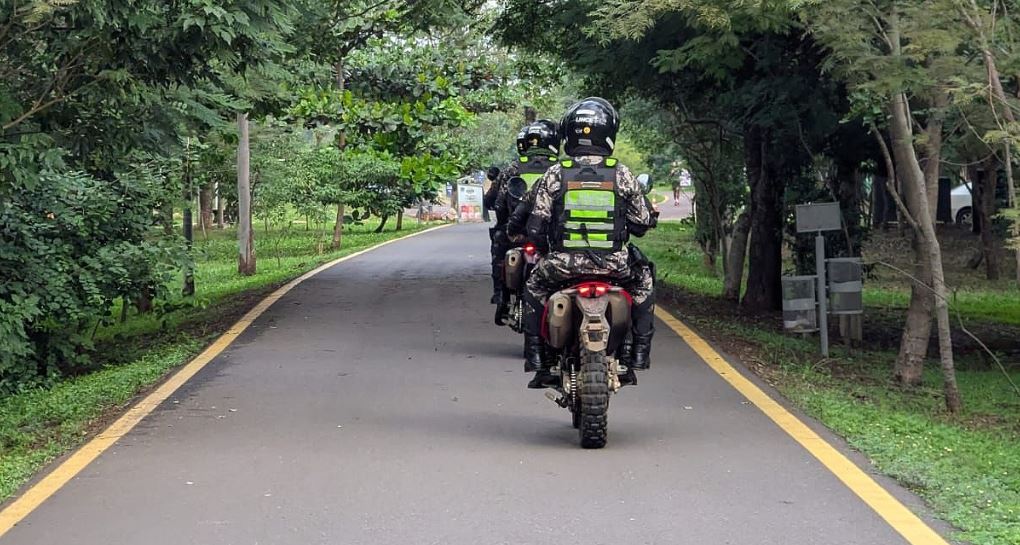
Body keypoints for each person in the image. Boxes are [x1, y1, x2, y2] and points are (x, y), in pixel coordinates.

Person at [520, 98, 658, 388]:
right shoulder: (621, 173)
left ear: (569, 133)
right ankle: (638, 355)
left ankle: (538, 359)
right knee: (645, 282)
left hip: (562, 266)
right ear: (609, 132)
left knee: (533, 286)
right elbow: (643, 222)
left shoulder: (556, 173)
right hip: (615, 267)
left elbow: (534, 228)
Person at [486, 121, 561, 322]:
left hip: (517, 233)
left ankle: (501, 295)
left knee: (499, 242)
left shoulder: (514, 167)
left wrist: (506, 225)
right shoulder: (560, 169)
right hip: (549, 237)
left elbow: (500, 204)